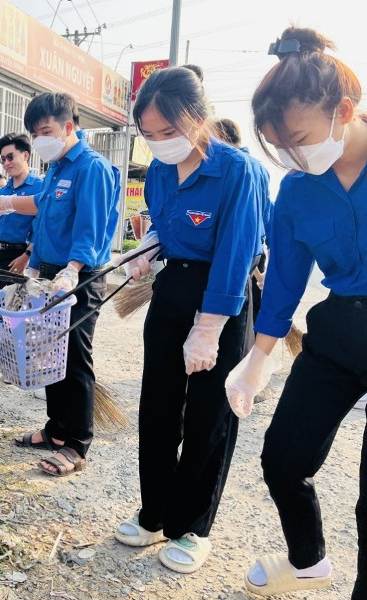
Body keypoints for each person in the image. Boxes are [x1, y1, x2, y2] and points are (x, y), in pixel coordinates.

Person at [225, 27, 367, 598]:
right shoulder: (298, 190)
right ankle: (308, 562)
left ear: (345, 111)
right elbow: (285, 278)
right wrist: (257, 358)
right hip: (337, 331)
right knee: (283, 457)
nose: (292, 156)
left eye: (300, 139)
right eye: (278, 147)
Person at [110, 66, 262, 574]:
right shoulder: (157, 170)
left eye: (168, 132)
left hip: (219, 301)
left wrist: (209, 327)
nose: (158, 144)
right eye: (148, 135)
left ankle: (193, 526)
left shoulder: (238, 171)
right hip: (171, 292)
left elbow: (236, 255)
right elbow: (164, 226)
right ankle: (154, 513)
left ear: (198, 119)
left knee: (206, 418)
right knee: (157, 409)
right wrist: (147, 249)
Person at [0, 93, 120, 478]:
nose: (39, 138)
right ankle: (56, 430)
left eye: (44, 130)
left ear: (68, 127)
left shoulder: (91, 168)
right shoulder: (58, 168)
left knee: (75, 358)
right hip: (49, 273)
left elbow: (91, 226)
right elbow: (41, 204)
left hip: (77, 276)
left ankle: (77, 443)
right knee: (49, 353)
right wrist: (9, 204)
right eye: (34, 132)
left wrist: (73, 268)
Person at [214, 117, 272, 326]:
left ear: (220, 137)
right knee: (250, 319)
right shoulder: (259, 168)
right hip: (254, 256)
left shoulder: (235, 166)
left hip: (238, 257)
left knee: (233, 321)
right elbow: (268, 214)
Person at [0, 134, 41, 285]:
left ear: (25, 155)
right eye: (3, 159)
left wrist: (27, 256)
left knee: (18, 306)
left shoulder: (39, 187)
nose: (6, 163)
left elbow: (41, 229)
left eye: (10, 157)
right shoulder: (1, 193)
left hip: (21, 256)